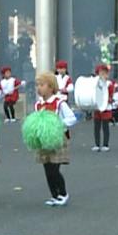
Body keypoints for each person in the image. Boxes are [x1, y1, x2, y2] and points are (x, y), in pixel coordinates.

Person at [30, 72, 77, 206]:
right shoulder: (38, 104)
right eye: (37, 85)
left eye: (42, 85)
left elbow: (72, 118)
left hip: (57, 140)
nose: (39, 88)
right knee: (47, 169)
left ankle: (63, 193)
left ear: (51, 87)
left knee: (54, 170)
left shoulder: (59, 103)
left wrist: (58, 125)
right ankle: (54, 195)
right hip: (44, 141)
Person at [90, 63, 118, 152]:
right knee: (96, 127)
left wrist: (108, 99)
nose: (103, 75)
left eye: (105, 73)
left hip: (106, 108)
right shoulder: (95, 84)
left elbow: (110, 95)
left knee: (105, 127)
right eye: (101, 73)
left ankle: (106, 144)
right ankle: (97, 144)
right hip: (97, 108)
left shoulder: (109, 84)